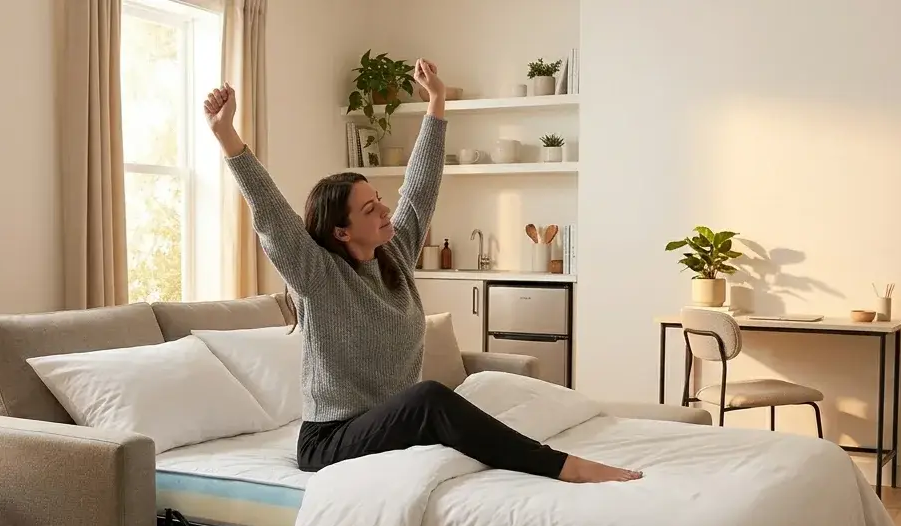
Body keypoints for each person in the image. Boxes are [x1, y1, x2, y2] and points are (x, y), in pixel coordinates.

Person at [203, 59, 640, 483]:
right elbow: (271, 214)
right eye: (370, 208)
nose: (384, 209)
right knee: (430, 397)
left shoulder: (394, 254)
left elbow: (421, 185)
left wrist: (437, 100)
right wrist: (227, 135)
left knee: (455, 398)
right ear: (340, 231)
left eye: (379, 198)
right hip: (330, 441)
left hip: (387, 427)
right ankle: (561, 466)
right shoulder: (318, 278)